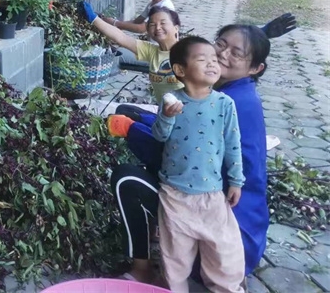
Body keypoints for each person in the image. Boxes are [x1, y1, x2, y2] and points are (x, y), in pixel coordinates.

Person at [110, 24, 273, 286]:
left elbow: (176, 151)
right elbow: (183, 127)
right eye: (221, 44)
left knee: (126, 179)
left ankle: (143, 269)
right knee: (130, 111)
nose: (221, 55)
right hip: (207, 197)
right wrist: (144, 121)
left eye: (236, 53)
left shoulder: (229, 103)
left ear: (255, 68)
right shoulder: (231, 91)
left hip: (213, 219)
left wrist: (131, 131)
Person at [151, 36, 245, 293]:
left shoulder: (225, 104)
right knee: (175, 258)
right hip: (174, 194)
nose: (213, 64)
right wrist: (167, 116)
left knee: (224, 254)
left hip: (212, 194)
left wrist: (236, 181)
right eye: (203, 60)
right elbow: (159, 136)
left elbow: (233, 144)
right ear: (180, 70)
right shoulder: (171, 101)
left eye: (214, 59)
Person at [82, 2, 183, 103]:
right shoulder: (151, 51)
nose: (157, 28)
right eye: (152, 24)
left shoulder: (186, 52)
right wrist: (94, 19)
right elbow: (121, 37)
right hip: (163, 111)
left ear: (176, 28)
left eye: (163, 23)